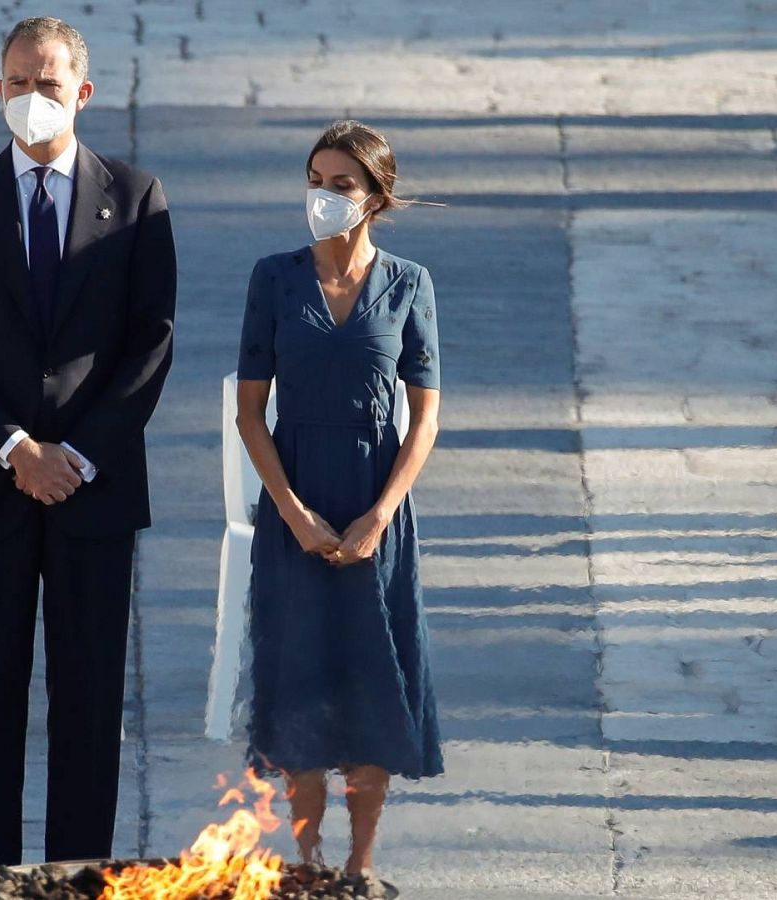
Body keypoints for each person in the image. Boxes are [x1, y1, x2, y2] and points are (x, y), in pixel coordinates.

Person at [0, 16, 177, 875]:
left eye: (48, 84)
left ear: (82, 93)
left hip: (93, 494)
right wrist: (17, 448)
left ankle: (77, 883)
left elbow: (151, 342)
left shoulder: (134, 198)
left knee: (88, 703)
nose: (32, 98)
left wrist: (78, 456)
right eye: (18, 82)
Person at [235, 120, 444, 878]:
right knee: (299, 678)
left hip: (373, 499)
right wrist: (291, 512)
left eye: (341, 185)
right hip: (297, 494)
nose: (322, 196)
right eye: (315, 181)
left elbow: (424, 417)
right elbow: (251, 414)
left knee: (369, 679)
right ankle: (308, 860)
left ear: (375, 197)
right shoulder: (275, 278)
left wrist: (379, 514)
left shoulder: (409, 283)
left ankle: (358, 864)